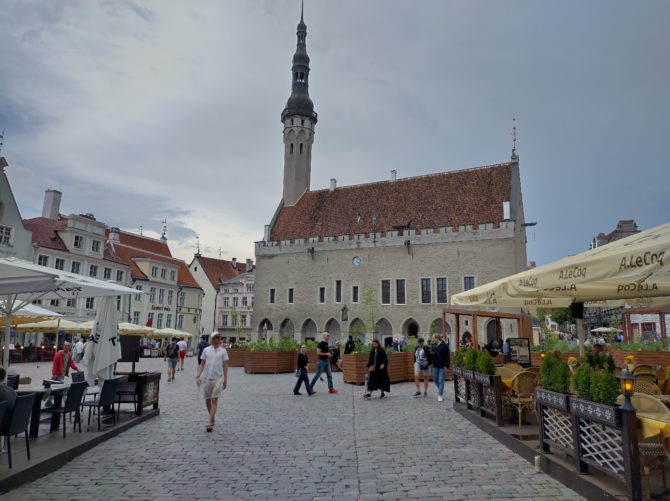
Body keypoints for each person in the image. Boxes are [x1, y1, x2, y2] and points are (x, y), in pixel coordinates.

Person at [195, 332, 228, 432]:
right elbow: (202, 364)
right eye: (214, 338)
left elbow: (225, 366)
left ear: (219, 339)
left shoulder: (223, 351)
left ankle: (209, 421)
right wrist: (198, 375)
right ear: (211, 339)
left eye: (217, 338)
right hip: (207, 378)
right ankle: (212, 416)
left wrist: (225, 379)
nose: (215, 340)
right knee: (207, 400)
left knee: (214, 399)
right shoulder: (206, 350)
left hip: (218, 378)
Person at [47, 341, 79, 406]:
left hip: (62, 375)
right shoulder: (58, 354)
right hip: (58, 375)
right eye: (66, 346)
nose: (67, 347)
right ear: (63, 346)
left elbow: (71, 364)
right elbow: (55, 365)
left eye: (68, 346)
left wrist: (77, 369)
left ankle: (48, 402)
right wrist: (54, 374)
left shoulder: (69, 354)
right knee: (62, 388)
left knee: (53, 388)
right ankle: (67, 402)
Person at [431, 334, 450, 402]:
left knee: (441, 380)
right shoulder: (433, 345)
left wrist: (446, 365)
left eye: (433, 338)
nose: (432, 340)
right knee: (435, 379)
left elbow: (447, 356)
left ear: (437, 338)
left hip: (442, 366)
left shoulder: (444, 345)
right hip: (435, 366)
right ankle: (441, 389)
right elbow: (432, 354)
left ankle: (440, 394)